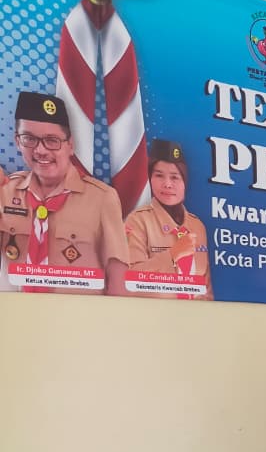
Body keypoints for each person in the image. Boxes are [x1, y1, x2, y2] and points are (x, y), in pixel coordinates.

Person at [0, 90, 127, 295]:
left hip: (76, 314)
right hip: (12, 312)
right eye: (29, 138)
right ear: (17, 141)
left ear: (70, 145)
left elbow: (118, 277)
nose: (40, 150)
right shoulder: (5, 192)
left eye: (52, 140)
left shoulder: (102, 199)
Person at [124, 140, 213, 298]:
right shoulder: (138, 221)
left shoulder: (197, 226)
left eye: (175, 177)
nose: (167, 184)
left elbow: (205, 289)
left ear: (184, 182)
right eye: (159, 175)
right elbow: (131, 279)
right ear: (150, 179)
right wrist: (172, 255)